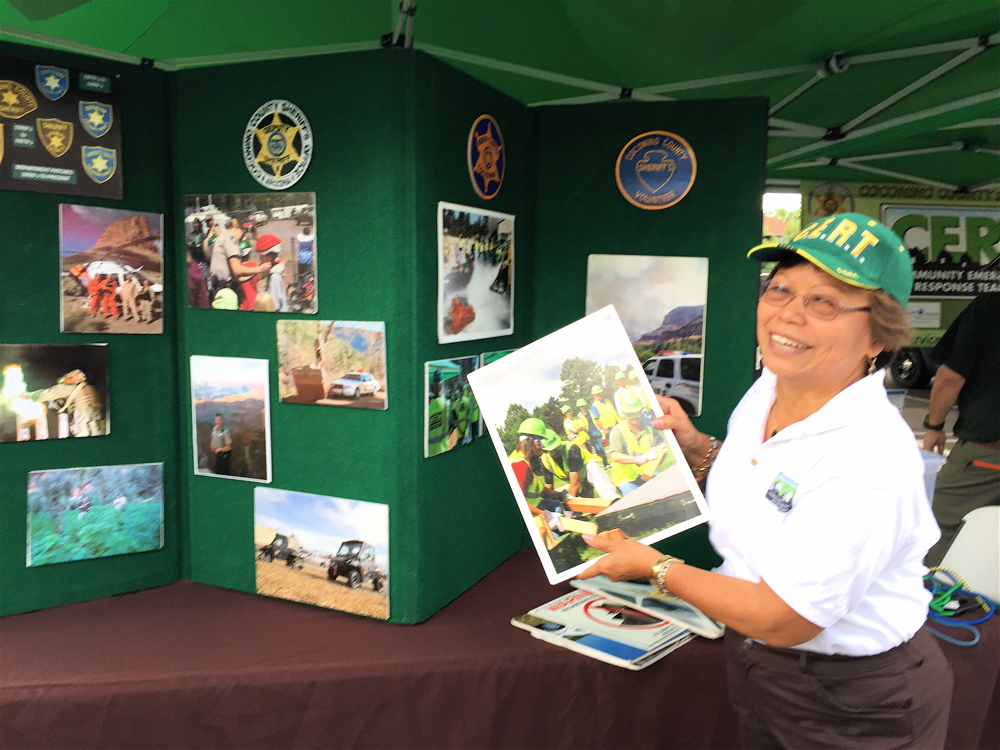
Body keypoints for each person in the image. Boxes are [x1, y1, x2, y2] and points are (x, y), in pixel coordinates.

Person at [578, 213, 951, 749]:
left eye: (824, 301)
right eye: (780, 288)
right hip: (764, 668)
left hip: (854, 700)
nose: (789, 314)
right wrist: (700, 449)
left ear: (878, 335)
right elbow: (772, 488)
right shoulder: (772, 386)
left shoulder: (869, 457)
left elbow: (785, 618)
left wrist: (654, 566)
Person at [923, 291, 1000, 566]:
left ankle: (928, 601)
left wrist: (934, 425)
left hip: (987, 454)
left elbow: (949, 378)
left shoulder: (989, 309)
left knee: (936, 527)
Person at [606, 393, 669, 494]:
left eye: (636, 413)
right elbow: (615, 456)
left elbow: (659, 451)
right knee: (637, 502)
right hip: (625, 479)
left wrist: (661, 453)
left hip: (645, 473)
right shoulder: (618, 430)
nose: (634, 418)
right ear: (624, 414)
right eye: (630, 415)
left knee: (668, 487)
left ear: (641, 411)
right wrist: (640, 459)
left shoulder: (650, 429)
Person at [426, 376, 448, 456]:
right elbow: (452, 424)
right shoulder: (447, 406)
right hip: (444, 448)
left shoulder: (427, 410)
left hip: (430, 452)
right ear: (441, 388)